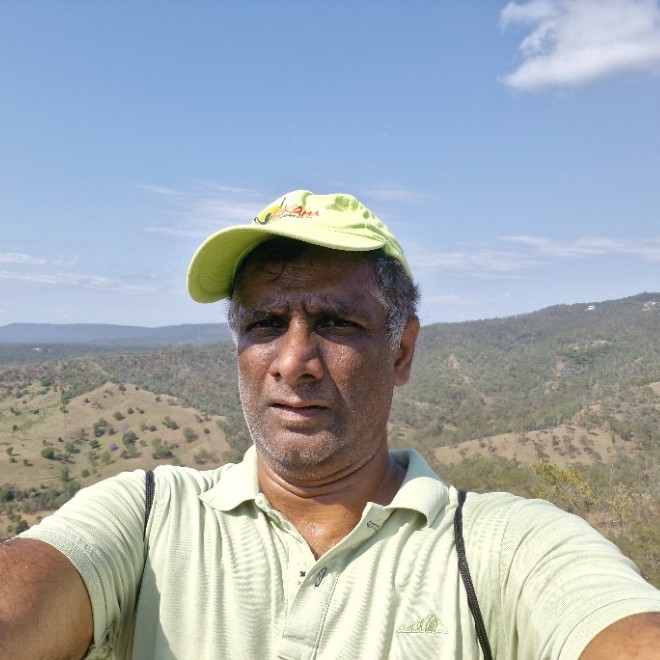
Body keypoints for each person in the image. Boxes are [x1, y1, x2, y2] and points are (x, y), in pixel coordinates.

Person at [1, 190, 659, 660]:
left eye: (337, 323)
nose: (293, 362)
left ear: (401, 352)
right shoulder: (146, 516)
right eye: (264, 323)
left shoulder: (503, 548)